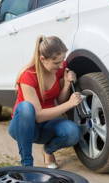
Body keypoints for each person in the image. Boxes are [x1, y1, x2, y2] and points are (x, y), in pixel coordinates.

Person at [8, 35, 82, 168]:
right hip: (23, 126)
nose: (61, 66)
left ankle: (48, 151)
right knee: (26, 108)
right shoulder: (28, 76)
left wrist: (66, 84)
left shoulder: (58, 67)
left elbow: (60, 100)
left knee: (73, 132)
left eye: (63, 60)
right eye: (56, 63)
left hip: (47, 126)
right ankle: (27, 164)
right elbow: (39, 115)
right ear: (43, 59)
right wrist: (69, 104)